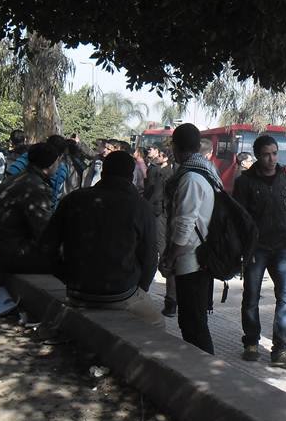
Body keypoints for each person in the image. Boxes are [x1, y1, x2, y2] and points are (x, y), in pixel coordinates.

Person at [43, 151, 163, 327]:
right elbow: (150, 257)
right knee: (158, 324)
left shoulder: (73, 199)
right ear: (131, 176)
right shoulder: (140, 206)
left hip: (77, 289)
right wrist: (140, 288)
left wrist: (66, 275)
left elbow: (47, 245)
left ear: (103, 172)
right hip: (120, 293)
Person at [233, 134, 286, 368]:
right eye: (266, 155)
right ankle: (251, 342)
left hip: (281, 247)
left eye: (274, 153)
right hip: (256, 248)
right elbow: (238, 218)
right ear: (257, 156)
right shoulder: (245, 182)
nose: (271, 159)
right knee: (251, 296)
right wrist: (243, 248)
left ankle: (281, 349)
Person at [161, 124, 219, 353]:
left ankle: (205, 369)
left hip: (192, 261)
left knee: (193, 324)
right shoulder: (206, 171)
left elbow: (184, 225)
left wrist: (170, 257)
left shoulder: (191, 178)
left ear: (176, 147)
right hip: (199, 257)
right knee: (192, 321)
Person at [0, 142, 61, 273]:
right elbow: (44, 230)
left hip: (0, 248)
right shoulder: (35, 187)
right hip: (14, 253)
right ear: (51, 164)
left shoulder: (15, 179)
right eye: (57, 162)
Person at [144, 143, 176, 316]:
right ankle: (171, 300)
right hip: (165, 215)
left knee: (160, 251)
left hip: (160, 215)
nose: (156, 156)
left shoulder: (162, 172)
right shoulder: (168, 171)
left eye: (159, 154)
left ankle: (170, 299)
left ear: (165, 156)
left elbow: (152, 194)